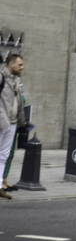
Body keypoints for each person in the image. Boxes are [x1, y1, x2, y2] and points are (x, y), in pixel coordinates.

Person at [0, 54, 27, 200]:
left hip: (12, 123)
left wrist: (21, 121)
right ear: (11, 64)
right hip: (1, 123)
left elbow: (20, 103)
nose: (22, 67)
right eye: (20, 65)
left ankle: (0, 186)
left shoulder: (17, 79)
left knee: (4, 156)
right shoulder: (1, 77)